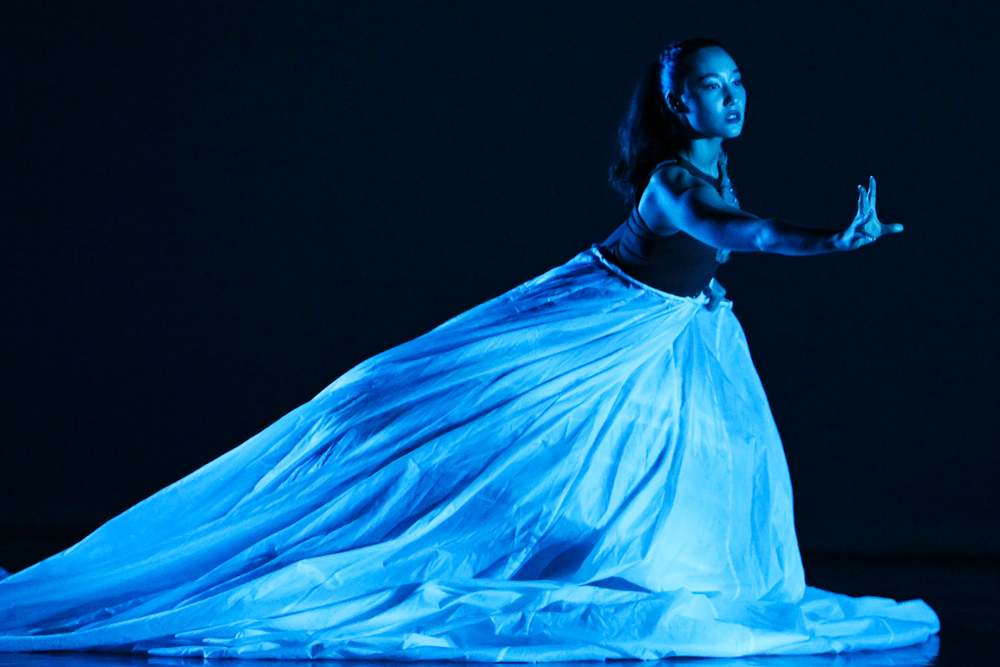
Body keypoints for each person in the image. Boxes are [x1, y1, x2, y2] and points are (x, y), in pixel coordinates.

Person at [0, 37, 939, 660]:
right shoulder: (675, 178)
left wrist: (706, 287)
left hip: (662, 333)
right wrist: (829, 239)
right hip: (589, 321)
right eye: (710, 85)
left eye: (738, 84)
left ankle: (648, 565)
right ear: (673, 96)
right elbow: (742, 229)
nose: (730, 98)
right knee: (431, 413)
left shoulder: (710, 162)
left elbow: (716, 243)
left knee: (673, 465)